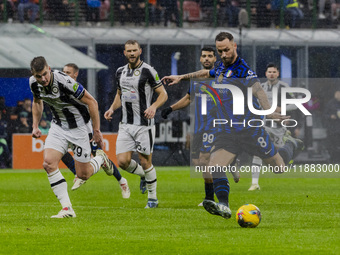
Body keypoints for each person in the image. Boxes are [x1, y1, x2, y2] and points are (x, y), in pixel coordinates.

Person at [162, 32, 304, 219]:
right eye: (220, 51)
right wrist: (181, 77)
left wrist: (268, 111)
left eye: (227, 50)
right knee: (215, 166)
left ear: (234, 46)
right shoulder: (221, 66)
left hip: (249, 130)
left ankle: (291, 144)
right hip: (227, 130)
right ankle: (224, 205)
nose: (224, 54)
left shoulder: (243, 70)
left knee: (279, 167)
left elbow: (259, 90)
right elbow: (205, 73)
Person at [30, 56, 115, 218]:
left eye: (44, 74)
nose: (43, 79)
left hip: (79, 128)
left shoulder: (65, 81)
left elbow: (92, 102)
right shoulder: (33, 83)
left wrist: (96, 131)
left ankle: (100, 159)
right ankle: (67, 209)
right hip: (58, 126)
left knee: (83, 174)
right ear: (32, 74)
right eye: (38, 76)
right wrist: (35, 125)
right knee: (48, 163)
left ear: (49, 68)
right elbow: (37, 101)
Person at [161, 47, 240, 207]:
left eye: (210, 56)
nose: (206, 59)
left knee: (207, 161)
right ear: (200, 59)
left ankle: (213, 198)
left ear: (215, 59)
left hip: (215, 125)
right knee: (199, 163)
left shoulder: (220, 76)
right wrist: (170, 108)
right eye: (204, 56)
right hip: (199, 126)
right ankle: (225, 170)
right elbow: (188, 99)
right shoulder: (197, 81)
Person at [104, 40, 168, 208]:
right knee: (122, 162)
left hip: (144, 124)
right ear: (124, 53)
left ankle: (153, 199)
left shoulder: (148, 71)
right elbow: (120, 94)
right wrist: (112, 108)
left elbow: (163, 94)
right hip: (125, 124)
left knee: (145, 161)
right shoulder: (120, 72)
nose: (132, 53)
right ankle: (143, 177)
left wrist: (153, 107)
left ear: (140, 51)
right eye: (128, 51)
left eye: (134, 50)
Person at [61, 63, 130, 198]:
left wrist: (95, 130)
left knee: (100, 157)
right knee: (60, 151)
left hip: (83, 129)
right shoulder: (61, 88)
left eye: (68, 72)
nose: (65, 74)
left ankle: (122, 181)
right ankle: (77, 173)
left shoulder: (78, 90)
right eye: (63, 72)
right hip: (67, 129)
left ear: (75, 74)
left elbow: (92, 106)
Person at [248, 63, 300, 191]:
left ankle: (291, 146)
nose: (271, 74)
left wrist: (282, 109)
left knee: (280, 155)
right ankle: (254, 183)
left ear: (278, 74)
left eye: (274, 72)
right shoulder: (260, 87)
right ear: (266, 74)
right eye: (269, 72)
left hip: (278, 126)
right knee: (258, 152)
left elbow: (296, 103)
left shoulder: (284, 87)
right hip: (263, 125)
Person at [324, 89, 340, 163]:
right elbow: (324, 115)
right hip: (333, 129)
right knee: (333, 145)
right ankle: (333, 160)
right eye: (337, 94)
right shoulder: (330, 104)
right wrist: (330, 116)